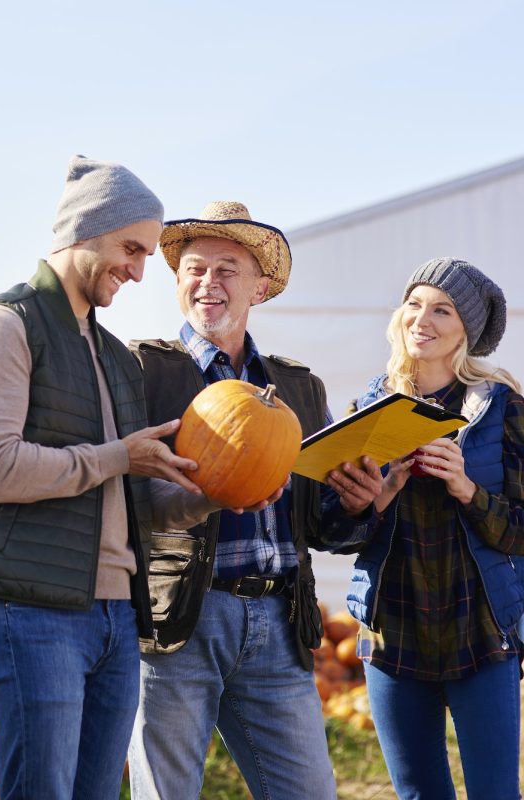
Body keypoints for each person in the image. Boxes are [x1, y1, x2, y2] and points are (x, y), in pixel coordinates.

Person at [0, 157, 276, 800]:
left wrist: (209, 497)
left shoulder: (117, 356)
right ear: (81, 234)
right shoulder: (5, 326)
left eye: (146, 254)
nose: (140, 270)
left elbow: (133, 499)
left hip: (117, 618)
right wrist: (117, 455)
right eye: (131, 248)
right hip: (33, 612)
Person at [124, 201, 368, 800]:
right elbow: (120, 499)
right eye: (195, 269)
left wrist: (360, 505)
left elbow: (321, 525)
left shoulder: (299, 389)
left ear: (259, 286)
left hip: (279, 623)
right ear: (178, 281)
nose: (209, 284)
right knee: (166, 794)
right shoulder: (142, 371)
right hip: (177, 618)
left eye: (227, 269)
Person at [325, 257, 524, 800]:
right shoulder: (366, 409)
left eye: (442, 309)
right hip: (393, 632)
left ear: (467, 331)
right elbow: (333, 533)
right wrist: (376, 500)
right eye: (414, 303)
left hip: (481, 632)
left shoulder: (503, 408)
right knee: (417, 793)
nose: (422, 318)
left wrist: (468, 490)